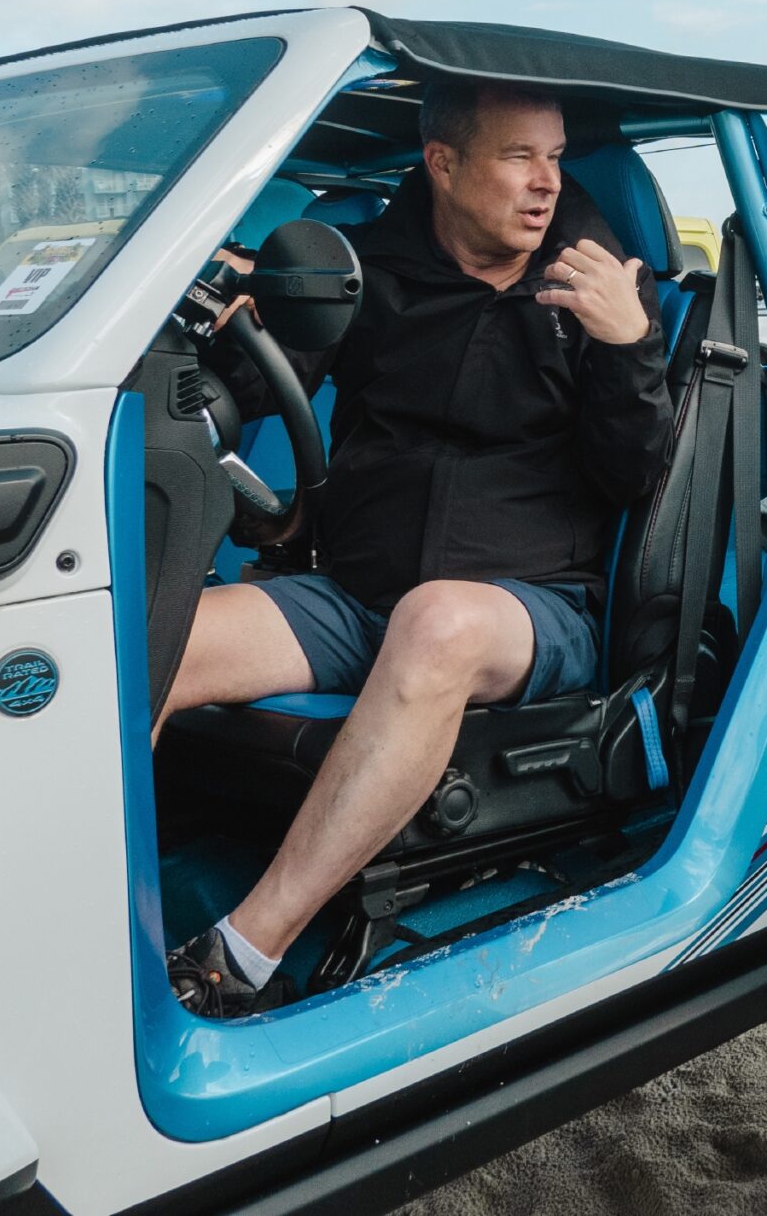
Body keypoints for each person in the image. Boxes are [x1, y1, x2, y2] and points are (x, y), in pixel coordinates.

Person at [158, 79, 671, 1017]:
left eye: (555, 157)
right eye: (520, 156)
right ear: (443, 163)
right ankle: (90, 908)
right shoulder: (369, 273)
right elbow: (249, 394)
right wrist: (238, 329)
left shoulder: (598, 286)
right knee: (161, 638)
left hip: (531, 609)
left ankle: (241, 956)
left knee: (436, 622)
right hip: (353, 595)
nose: (547, 182)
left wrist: (629, 346)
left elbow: (636, 479)